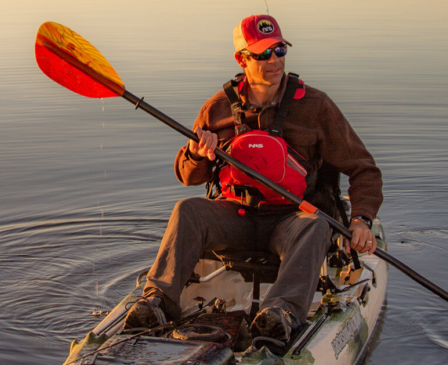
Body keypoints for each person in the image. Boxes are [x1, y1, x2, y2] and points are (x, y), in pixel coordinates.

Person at [124, 14, 383, 344]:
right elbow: (187, 177)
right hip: (237, 216)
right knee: (187, 210)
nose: (274, 60)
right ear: (241, 59)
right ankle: (158, 302)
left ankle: (281, 314)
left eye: (279, 50)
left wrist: (361, 221)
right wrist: (196, 153)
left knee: (316, 223)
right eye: (263, 53)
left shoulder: (316, 106)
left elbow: (364, 170)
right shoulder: (217, 108)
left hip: (291, 220)